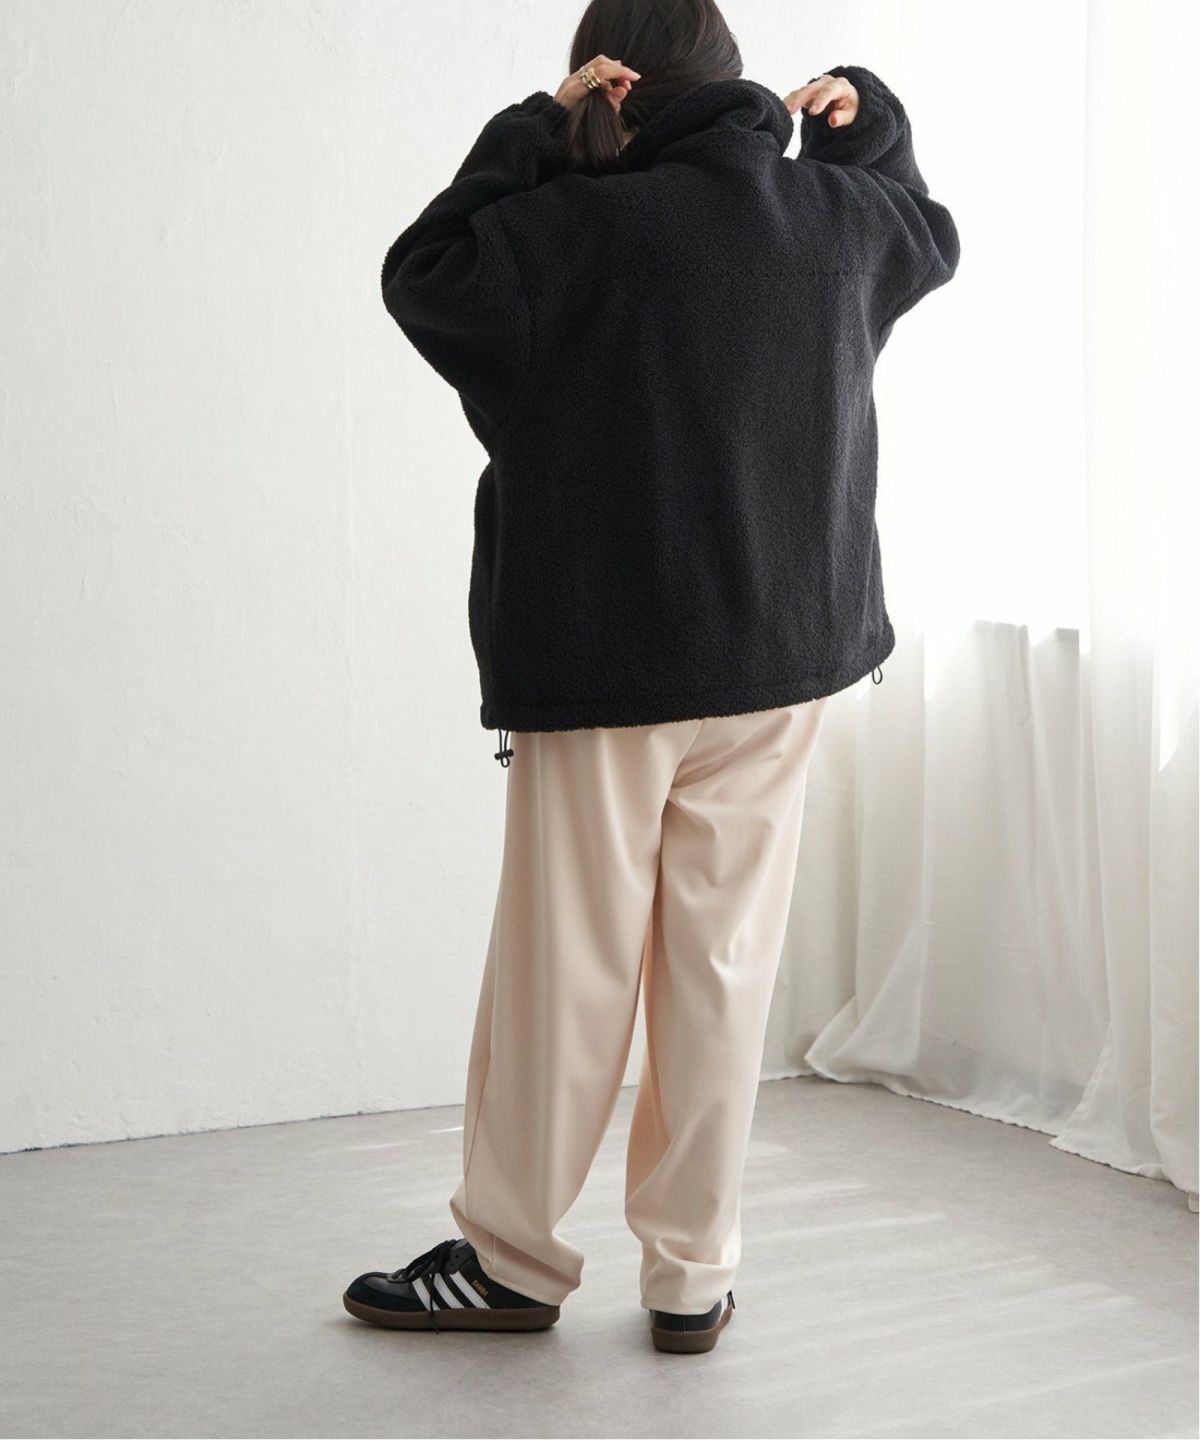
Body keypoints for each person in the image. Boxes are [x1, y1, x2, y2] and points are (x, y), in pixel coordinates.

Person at [346, 0, 959, 1354]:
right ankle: (692, 1276)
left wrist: (535, 127)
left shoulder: (564, 232)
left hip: (605, 669)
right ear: (734, 81)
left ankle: (513, 1262)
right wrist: (867, 113)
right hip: (778, 665)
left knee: (567, 973)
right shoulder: (835, 221)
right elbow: (926, 232)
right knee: (721, 974)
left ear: (611, 85)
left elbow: (424, 273)